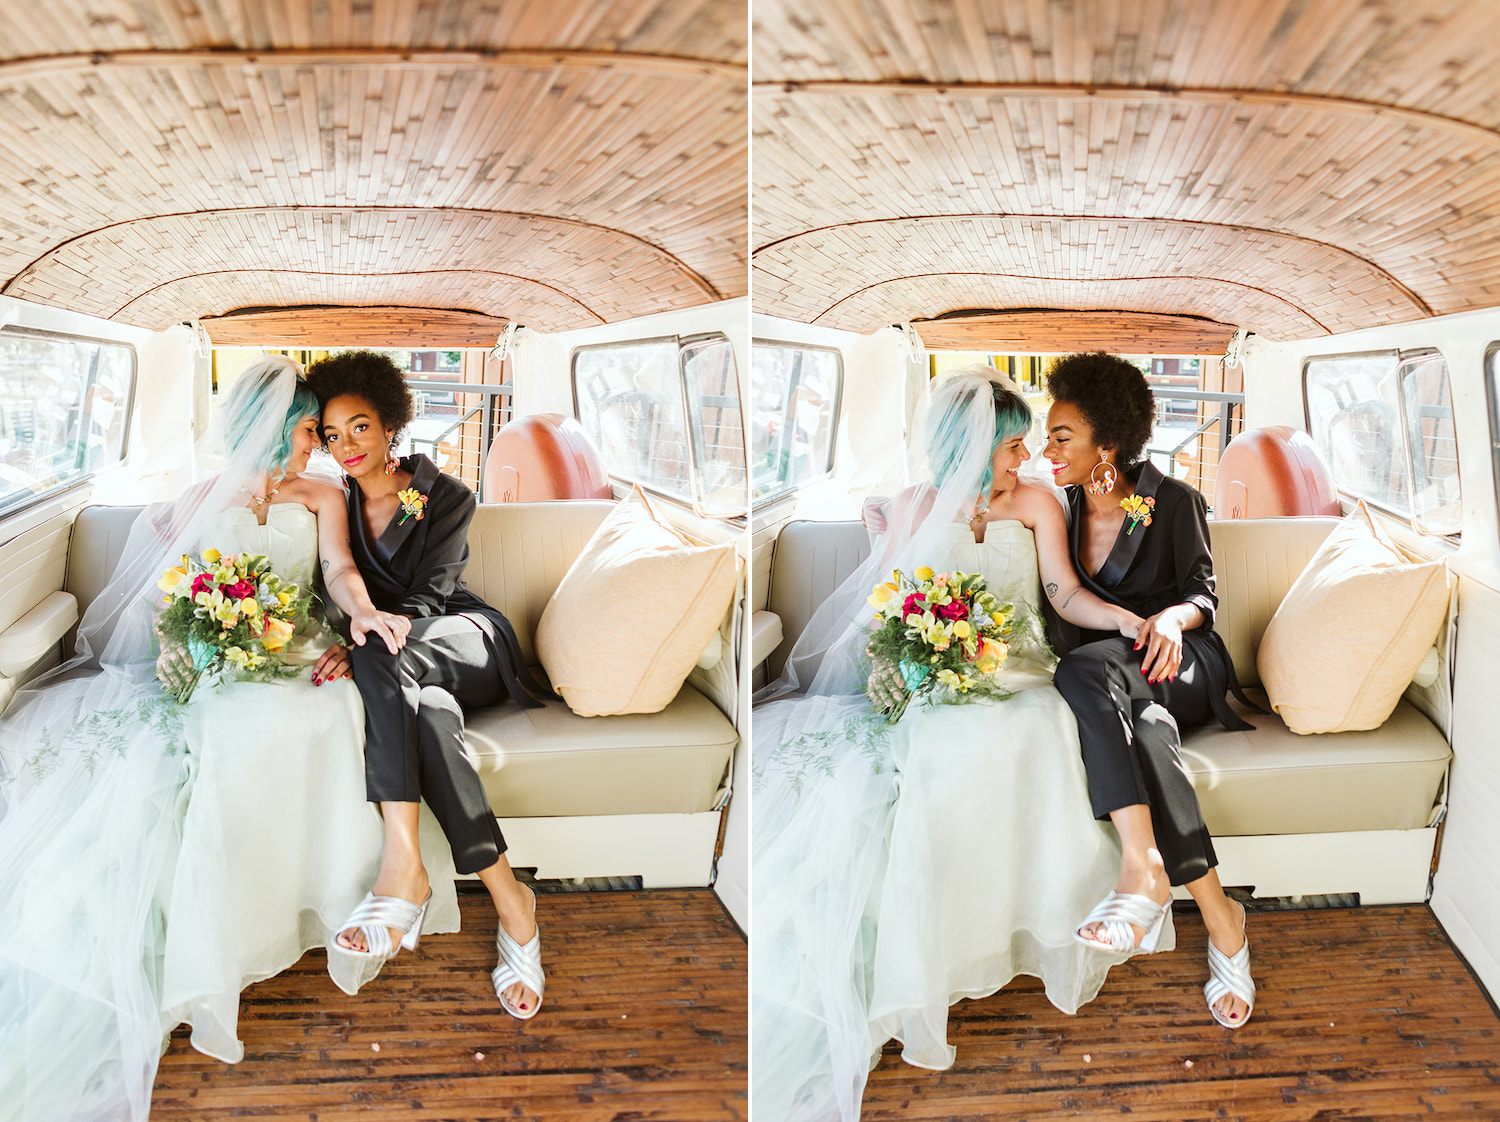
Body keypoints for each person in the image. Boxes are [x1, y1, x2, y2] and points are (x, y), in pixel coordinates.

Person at [0, 357, 414, 1118]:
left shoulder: (323, 492)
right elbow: (165, 586)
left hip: (294, 651)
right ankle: (221, 933)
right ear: (269, 430)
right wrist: (184, 637)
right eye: (305, 433)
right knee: (227, 729)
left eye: (318, 434)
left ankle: (337, 899)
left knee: (328, 711)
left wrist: (357, 616)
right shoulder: (195, 499)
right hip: (218, 659)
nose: (314, 445)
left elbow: (338, 567)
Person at [752, 367, 1147, 1122]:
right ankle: (932, 958)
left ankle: (1032, 929)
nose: (1024, 456)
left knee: (1035, 731)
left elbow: (1061, 591)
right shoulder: (912, 506)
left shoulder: (1035, 501)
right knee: (940, 751)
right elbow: (891, 600)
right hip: (936, 674)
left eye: (1028, 443)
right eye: (1011, 444)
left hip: (1024, 670)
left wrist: (1124, 621)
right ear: (970, 444)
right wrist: (907, 660)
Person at [306, 350, 552, 1019]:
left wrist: (368, 636)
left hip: (465, 636)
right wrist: (354, 631)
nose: (346, 445)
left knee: (386, 646)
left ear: (391, 426)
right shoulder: (337, 501)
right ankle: (511, 900)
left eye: (360, 427)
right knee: (430, 718)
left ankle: (401, 871)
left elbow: (430, 595)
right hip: (409, 666)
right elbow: (338, 583)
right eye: (331, 434)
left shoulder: (437, 496)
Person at [1042, 351, 1257, 1029]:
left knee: (1081, 671)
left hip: (1181, 659)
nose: (1048, 449)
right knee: (1148, 729)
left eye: (1062, 437)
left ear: (1108, 445)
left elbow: (1203, 591)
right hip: (1124, 685)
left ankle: (1143, 873)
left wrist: (1171, 615)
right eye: (1046, 436)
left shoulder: (1172, 500)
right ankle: (1223, 918)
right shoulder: (1060, 508)